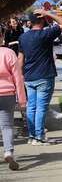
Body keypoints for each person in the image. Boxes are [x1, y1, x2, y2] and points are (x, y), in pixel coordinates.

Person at [17, 8, 62, 144]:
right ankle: (39, 136)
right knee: (41, 107)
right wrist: (48, 13)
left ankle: (32, 136)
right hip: (44, 76)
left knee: (31, 107)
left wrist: (20, 76)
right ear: (42, 20)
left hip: (29, 76)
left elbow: (20, 60)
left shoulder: (23, 37)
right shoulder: (46, 34)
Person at [0, 30, 26, 170]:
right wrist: (22, 99)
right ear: (2, 37)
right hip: (7, 94)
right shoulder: (9, 53)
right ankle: (8, 151)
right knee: (7, 125)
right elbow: (18, 77)